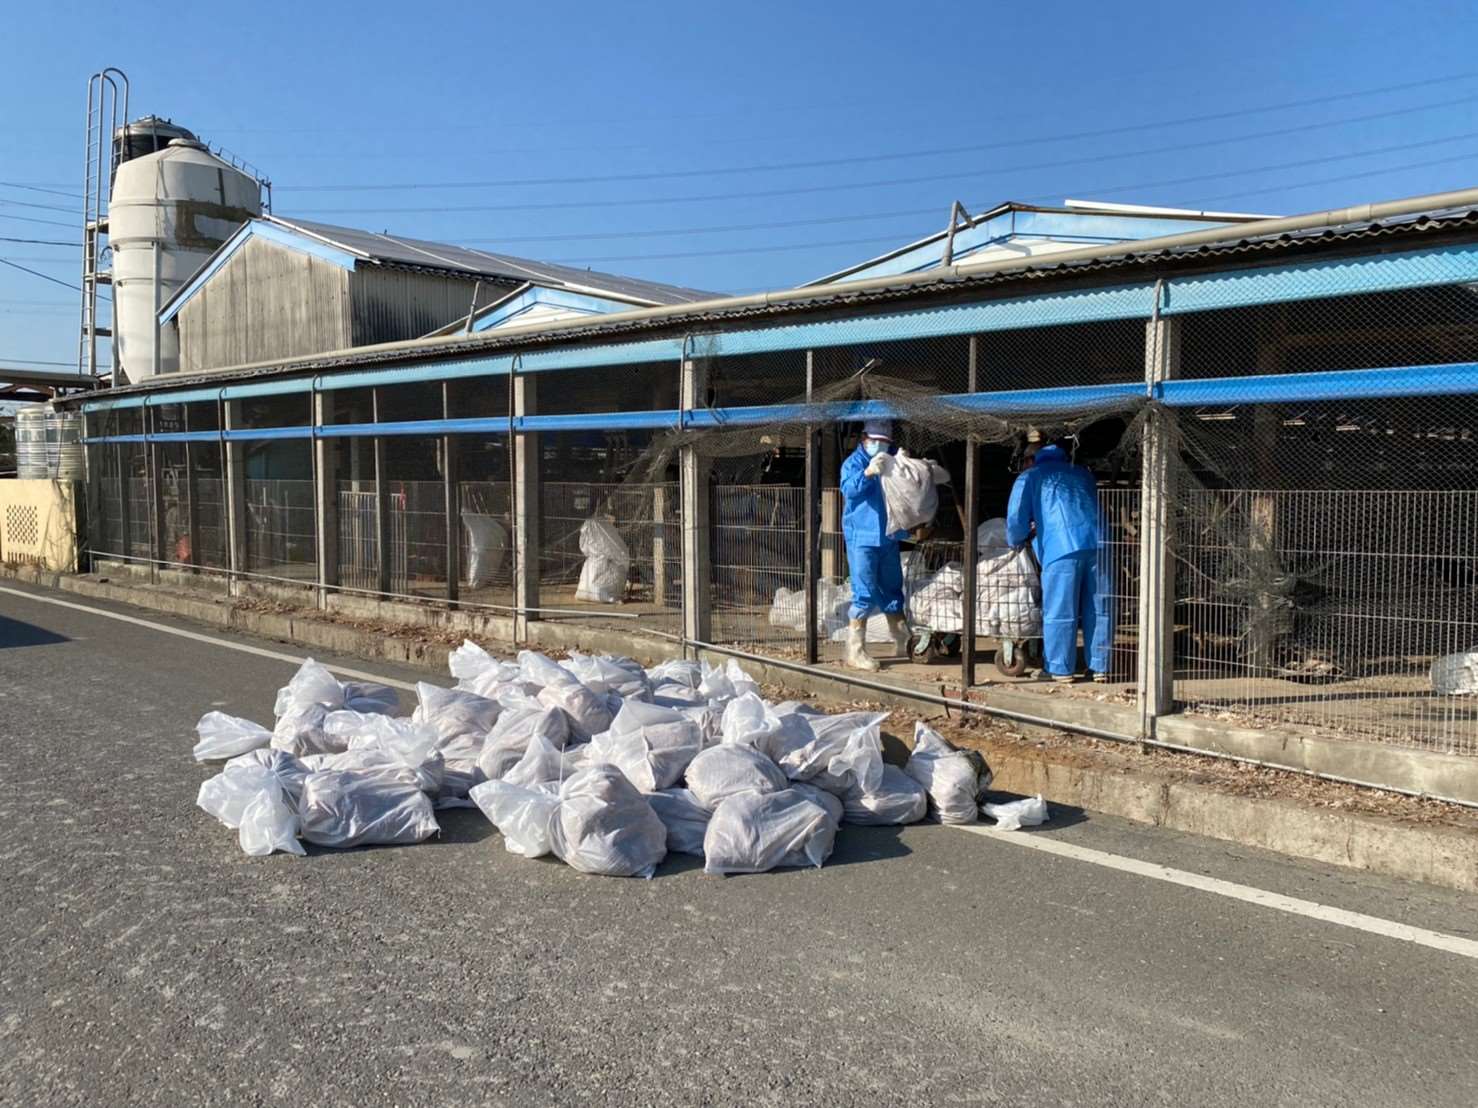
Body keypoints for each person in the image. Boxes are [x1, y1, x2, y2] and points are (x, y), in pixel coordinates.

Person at [1006, 439, 1112, 683]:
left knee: (1060, 609)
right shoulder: (1082, 474)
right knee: (1099, 607)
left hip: (1060, 547)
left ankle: (1059, 668)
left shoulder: (1030, 477)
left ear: (1031, 460)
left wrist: (1016, 540)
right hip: (1100, 544)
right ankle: (1101, 667)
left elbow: (1016, 517)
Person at [840, 420, 910, 671]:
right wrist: (867, 473)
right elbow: (848, 490)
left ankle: (903, 640)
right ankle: (855, 651)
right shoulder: (854, 464)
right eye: (875, 440)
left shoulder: (891, 459)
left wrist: (918, 468)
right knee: (864, 593)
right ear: (864, 438)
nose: (879, 445)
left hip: (888, 536)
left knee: (892, 588)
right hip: (862, 538)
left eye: (885, 441)